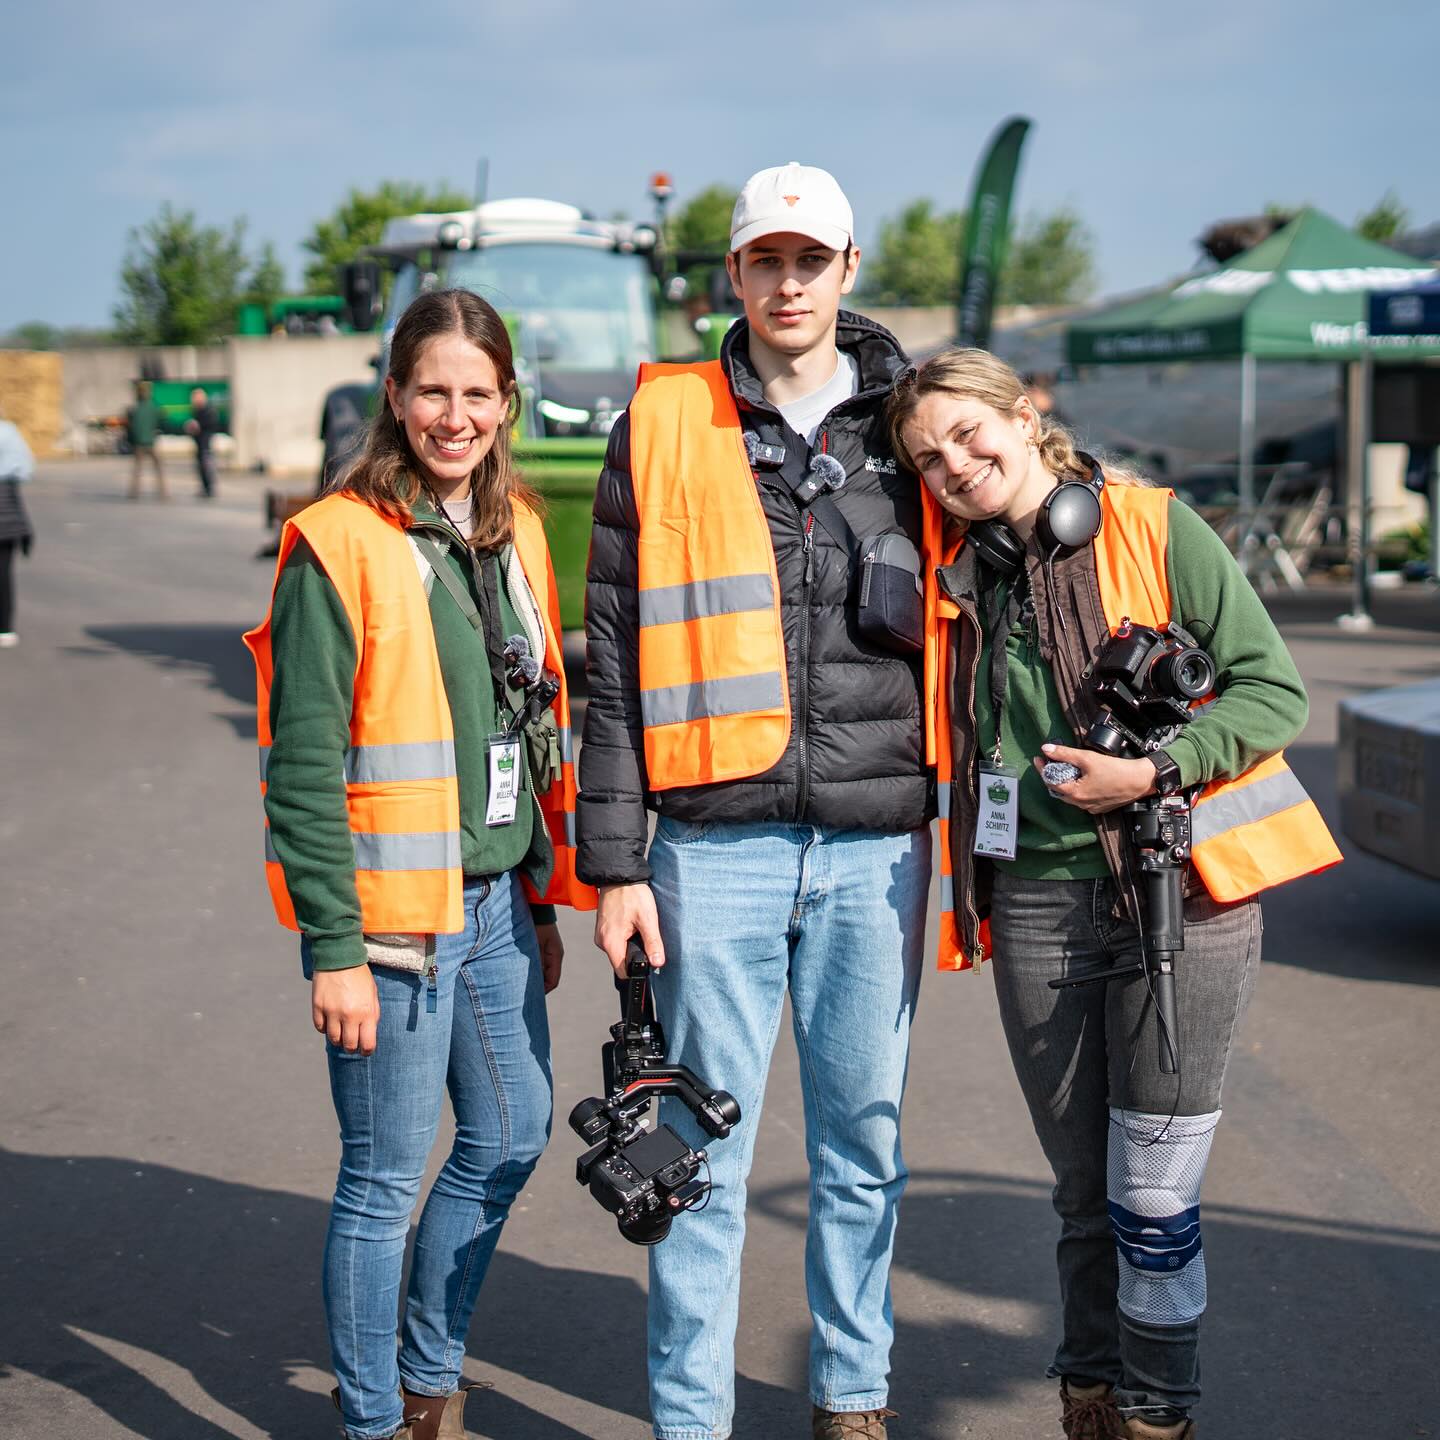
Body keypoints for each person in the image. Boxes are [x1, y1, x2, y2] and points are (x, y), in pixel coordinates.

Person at [888, 349, 1342, 1440]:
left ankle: (1157, 1412)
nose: (953, 465)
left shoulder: (1153, 526)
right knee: (1084, 1197)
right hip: (1037, 904)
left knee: (1152, 1194)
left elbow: (1275, 688)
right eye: (926, 457)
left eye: (967, 434)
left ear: (1024, 414)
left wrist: (1155, 772)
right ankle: (1087, 1395)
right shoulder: (957, 573)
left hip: (1178, 896)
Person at [579, 162, 929, 1440]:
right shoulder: (663, 419)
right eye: (763, 260)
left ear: (848, 268)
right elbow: (611, 658)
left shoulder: (915, 421)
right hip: (710, 851)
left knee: (863, 1154)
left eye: (810, 259)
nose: (787, 282)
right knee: (694, 1168)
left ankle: (853, 1401)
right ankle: (689, 1422)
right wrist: (614, 865)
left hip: (877, 849)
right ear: (734, 274)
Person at [243, 288, 594, 1440]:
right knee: (384, 1181)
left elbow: (528, 723)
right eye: (432, 390)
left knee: (511, 1136)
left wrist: (543, 896)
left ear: (507, 403)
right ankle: (375, 1416)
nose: (455, 415)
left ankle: (429, 1375)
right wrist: (331, 952)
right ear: (393, 397)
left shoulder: (519, 535)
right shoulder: (336, 543)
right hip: (393, 924)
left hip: (494, 903)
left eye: (477, 394)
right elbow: (300, 768)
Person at [0, 408, 35, 647]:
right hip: (9, 515)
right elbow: (25, 469)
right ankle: (5, 628)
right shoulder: (9, 433)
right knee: (3, 574)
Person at [125, 380, 166, 500]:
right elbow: (162, 421)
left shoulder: (135, 408)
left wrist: (132, 440)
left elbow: (131, 427)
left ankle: (134, 492)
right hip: (151, 442)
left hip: (139, 443)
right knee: (158, 468)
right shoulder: (154, 407)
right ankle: (163, 492)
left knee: (137, 469)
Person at [184, 387, 220, 498]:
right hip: (200, 444)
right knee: (201, 468)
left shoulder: (208, 410)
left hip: (205, 445)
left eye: (195, 398)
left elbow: (210, 426)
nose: (194, 400)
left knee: (207, 468)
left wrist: (198, 426)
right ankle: (205, 489)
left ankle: (209, 489)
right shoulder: (198, 410)